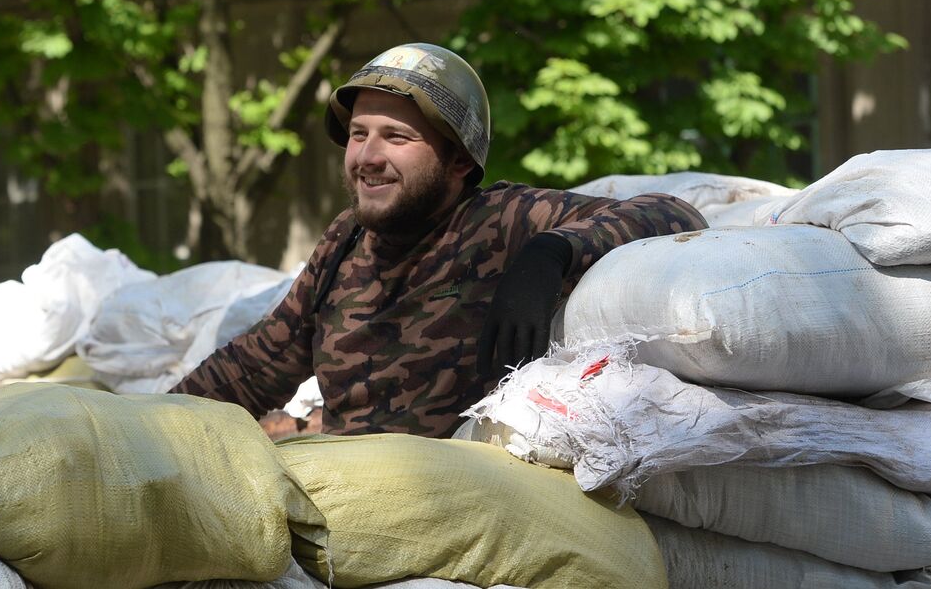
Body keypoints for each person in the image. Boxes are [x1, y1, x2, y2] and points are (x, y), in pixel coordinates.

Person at [170, 42, 705, 437]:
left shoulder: (501, 221)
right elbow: (255, 365)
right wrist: (151, 424)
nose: (367, 157)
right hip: (334, 490)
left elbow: (673, 214)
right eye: (359, 134)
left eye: (396, 137)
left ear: (456, 160)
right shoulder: (346, 239)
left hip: (443, 503)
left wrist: (548, 255)